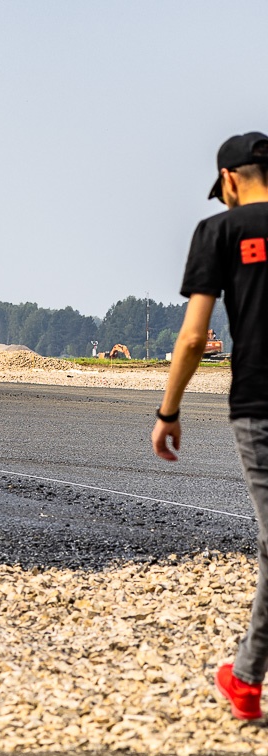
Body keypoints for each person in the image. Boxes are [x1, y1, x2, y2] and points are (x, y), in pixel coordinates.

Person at [154, 131, 268, 721]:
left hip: (259, 402)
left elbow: (195, 336)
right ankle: (245, 675)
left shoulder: (219, 231)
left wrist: (168, 410)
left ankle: (245, 680)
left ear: (228, 180)